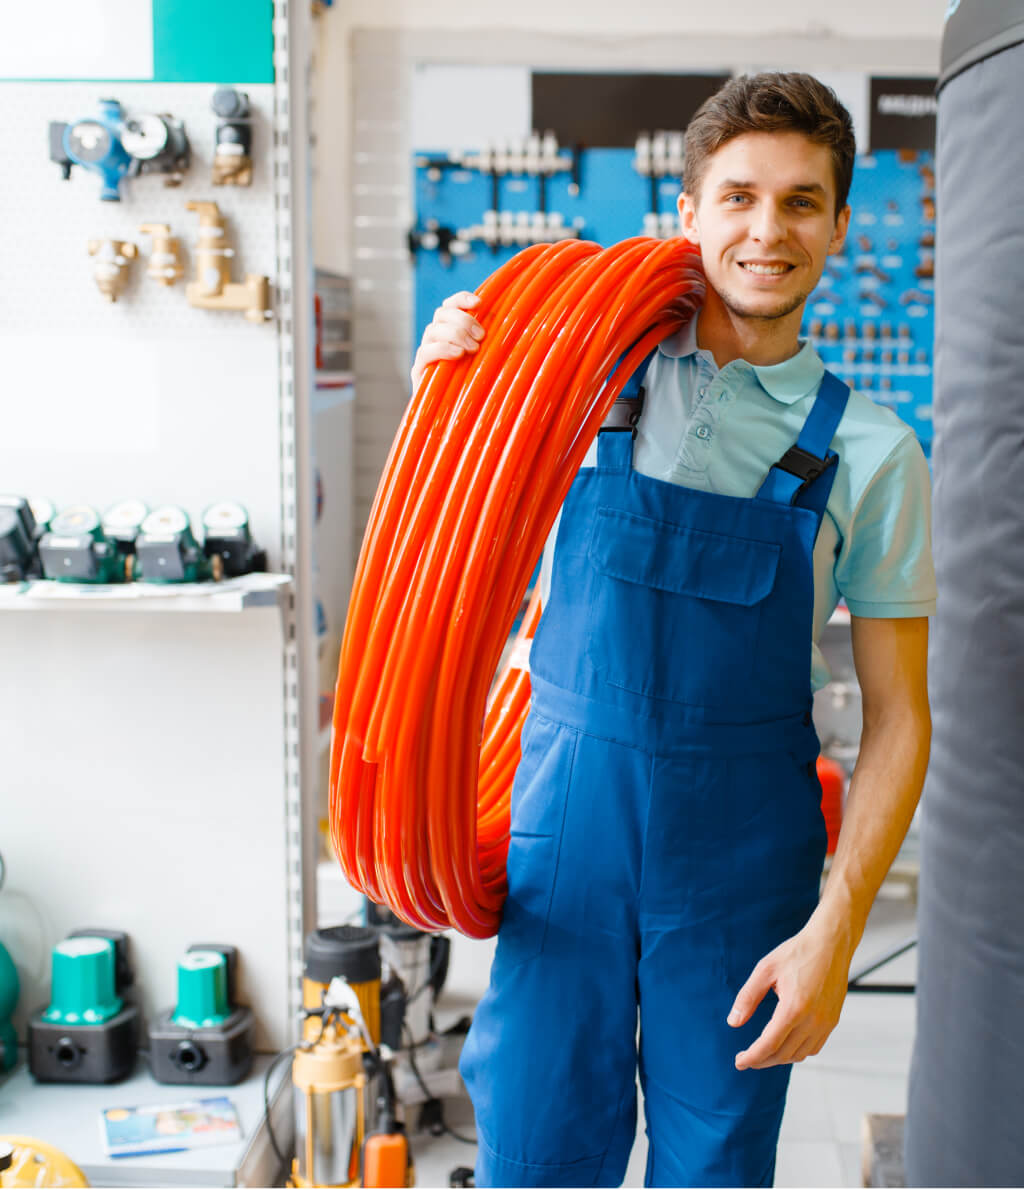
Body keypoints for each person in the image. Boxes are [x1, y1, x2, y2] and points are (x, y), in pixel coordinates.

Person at [411, 72, 935, 1189]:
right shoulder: (564, 384)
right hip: (568, 839)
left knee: (716, 1160)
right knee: (535, 1147)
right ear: (687, 211)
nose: (767, 229)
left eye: (801, 201)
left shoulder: (877, 451)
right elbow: (437, 537)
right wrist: (444, 386)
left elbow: (897, 721)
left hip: (744, 865)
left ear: (839, 224)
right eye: (738, 195)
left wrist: (835, 935)